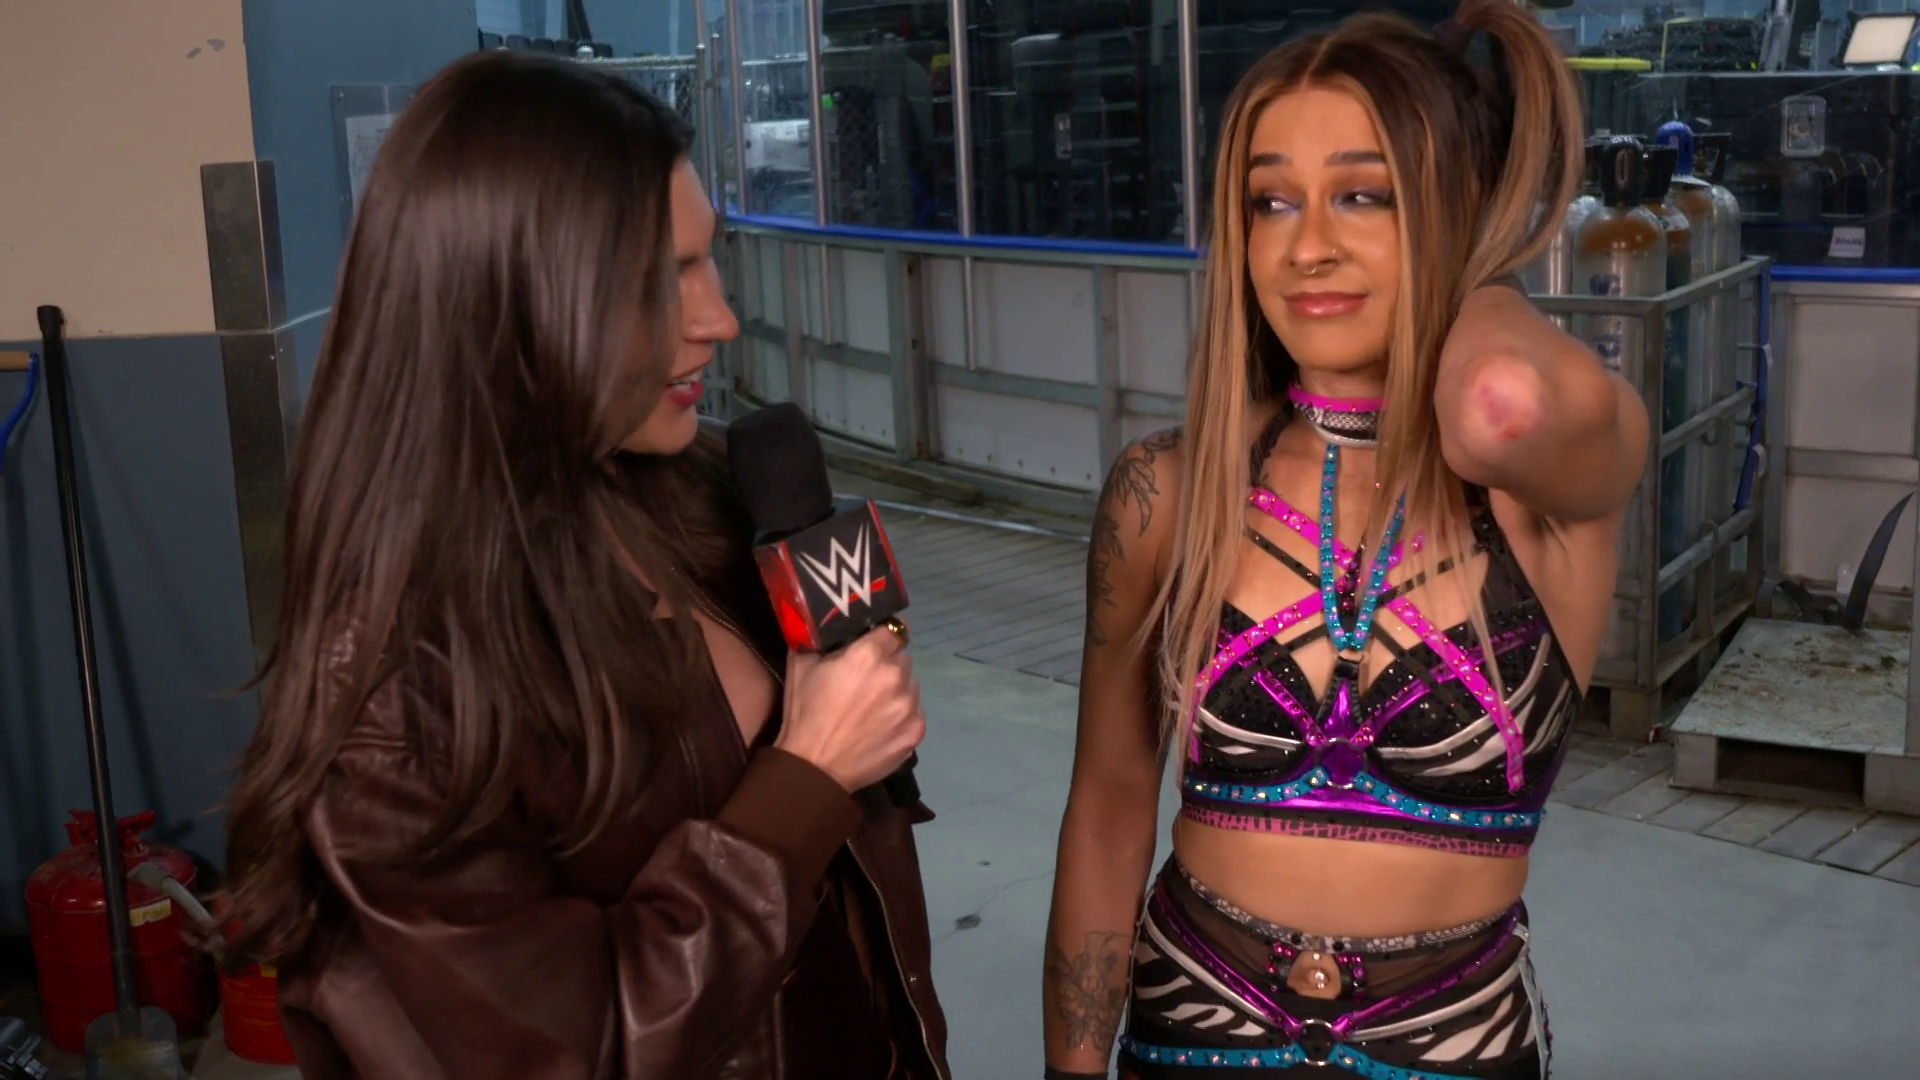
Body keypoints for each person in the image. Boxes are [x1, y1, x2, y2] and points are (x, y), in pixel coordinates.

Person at [219, 51, 950, 1080]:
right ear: (507, 303)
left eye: (709, 260)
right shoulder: (396, 693)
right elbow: (574, 1053)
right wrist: (809, 776)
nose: (719, 318)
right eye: (661, 280)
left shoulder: (714, 487)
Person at [1042, 3, 1645, 1078]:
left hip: (1453, 1041)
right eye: (1271, 202)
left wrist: (1479, 261)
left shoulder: (1540, 494)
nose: (1307, 247)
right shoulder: (1169, 489)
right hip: (1190, 1031)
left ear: (1456, 210)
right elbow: (1110, 802)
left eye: (1366, 195)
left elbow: (1499, 403)